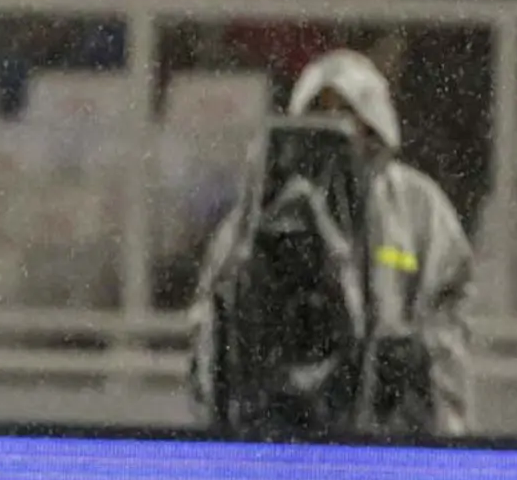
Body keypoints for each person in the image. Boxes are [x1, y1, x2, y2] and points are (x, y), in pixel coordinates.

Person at [190, 48, 475, 437]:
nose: (335, 125)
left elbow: (448, 320)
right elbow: (216, 317)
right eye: (319, 112)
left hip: (391, 432)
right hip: (274, 428)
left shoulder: (417, 206)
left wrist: (415, 391)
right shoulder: (260, 212)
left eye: (347, 111)